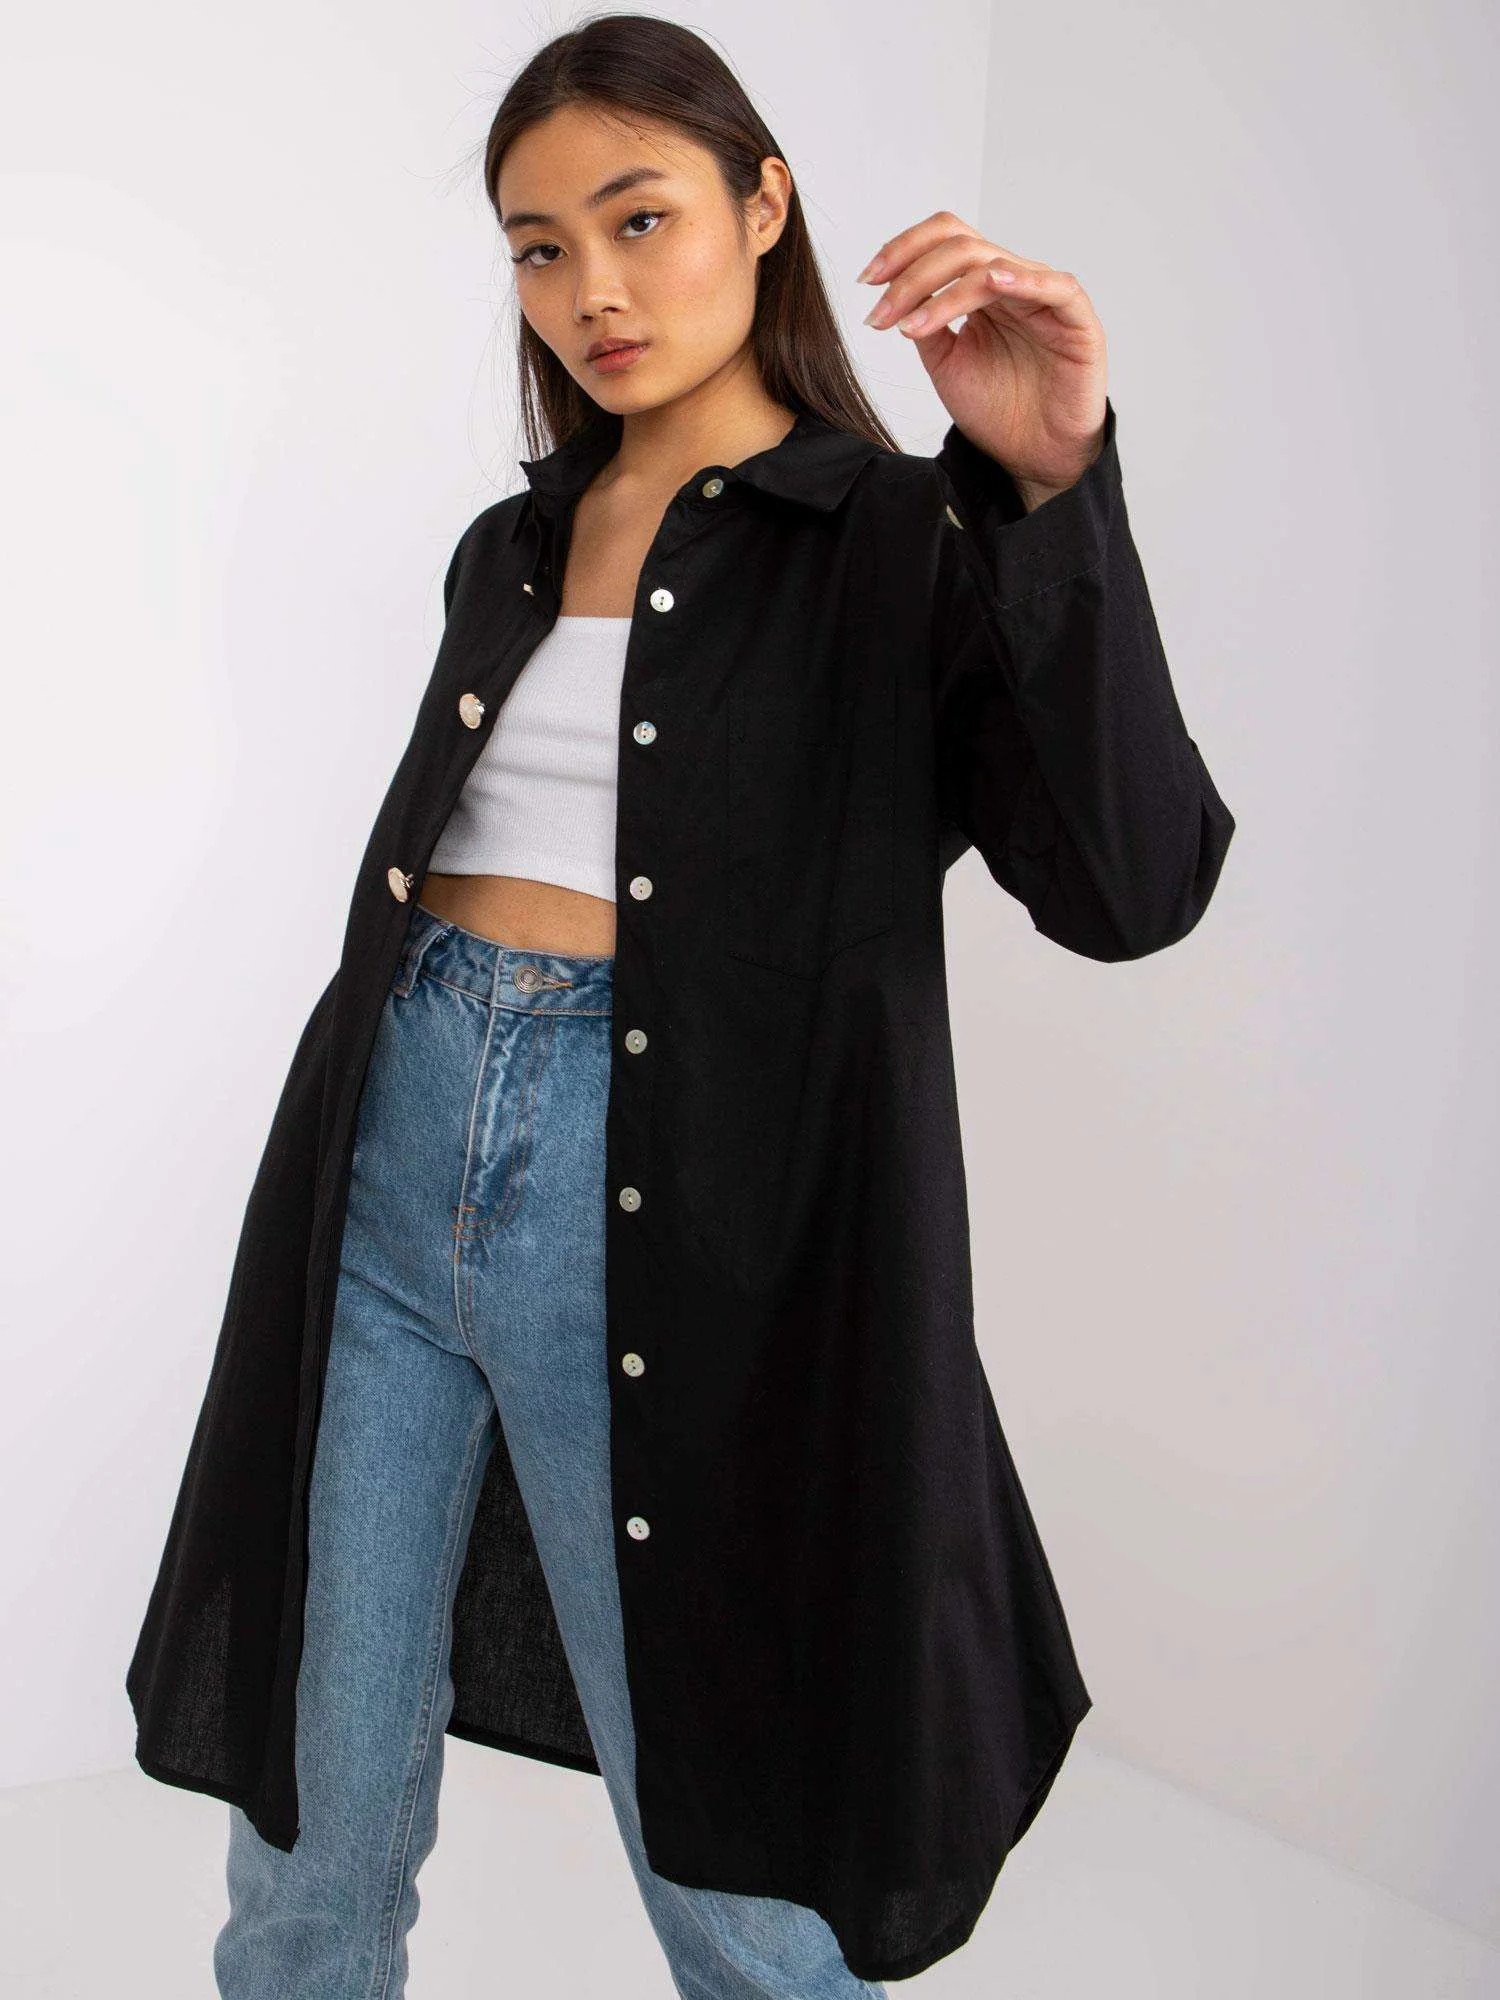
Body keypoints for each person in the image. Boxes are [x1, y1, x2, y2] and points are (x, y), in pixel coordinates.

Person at [126, 13, 1237, 1997]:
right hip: (384, 1163)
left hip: (665, 1219)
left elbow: (1131, 884)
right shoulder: (512, 547)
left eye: (640, 218)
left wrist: (1052, 478)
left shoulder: (898, 541)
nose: (593, 290)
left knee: (732, 1859)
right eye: (540, 247)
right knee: (307, 1831)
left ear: (764, 203)